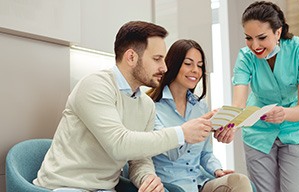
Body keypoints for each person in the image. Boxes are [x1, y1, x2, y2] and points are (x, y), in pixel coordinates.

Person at [33, 21, 215, 192]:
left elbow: (139, 158)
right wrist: (181, 133)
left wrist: (148, 178)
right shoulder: (95, 86)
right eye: (157, 59)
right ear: (131, 57)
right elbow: (119, 144)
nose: (165, 68)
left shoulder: (145, 105)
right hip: (65, 187)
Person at [227, 1, 299, 192]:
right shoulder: (245, 57)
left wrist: (283, 113)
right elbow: (238, 103)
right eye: (248, 38)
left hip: (296, 129)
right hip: (258, 132)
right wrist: (229, 125)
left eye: (261, 37)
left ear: (278, 32)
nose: (255, 45)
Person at [147, 39, 253, 192]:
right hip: (171, 186)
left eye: (200, 65)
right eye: (188, 64)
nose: (196, 70)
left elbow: (206, 153)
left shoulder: (200, 106)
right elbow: (172, 153)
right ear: (173, 64)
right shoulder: (152, 107)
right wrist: (194, 128)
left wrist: (217, 170)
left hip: (199, 184)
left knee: (238, 181)